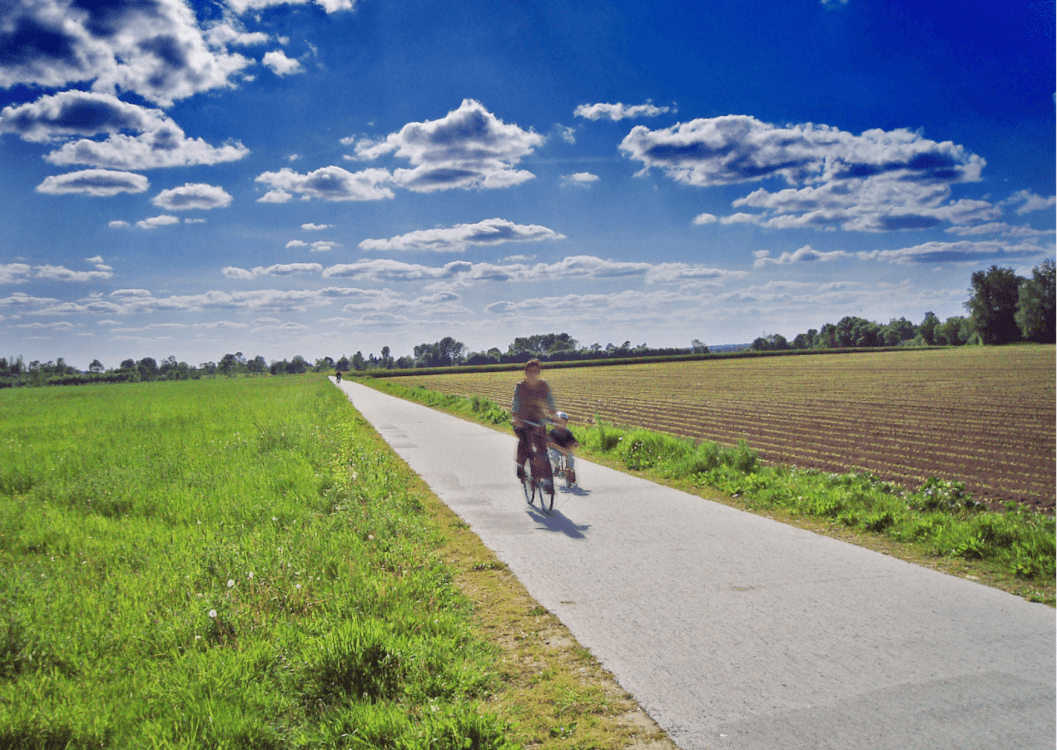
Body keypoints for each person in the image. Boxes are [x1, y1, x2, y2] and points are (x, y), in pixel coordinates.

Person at [511, 359, 557, 485]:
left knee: (542, 448)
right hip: (522, 418)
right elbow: (516, 402)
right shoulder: (521, 386)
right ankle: (521, 466)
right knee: (525, 441)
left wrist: (554, 415)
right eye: (530, 371)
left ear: (539, 372)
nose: (533, 374)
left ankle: (547, 480)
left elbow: (549, 400)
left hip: (538, 419)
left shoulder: (543, 385)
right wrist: (516, 417)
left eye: (536, 371)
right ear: (526, 372)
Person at [548, 411, 579, 485]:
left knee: (570, 458)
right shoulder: (553, 432)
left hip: (566, 450)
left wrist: (575, 443)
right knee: (554, 456)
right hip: (556, 449)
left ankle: (571, 471)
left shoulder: (567, 432)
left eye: (564, 422)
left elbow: (572, 440)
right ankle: (557, 467)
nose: (562, 424)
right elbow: (551, 443)